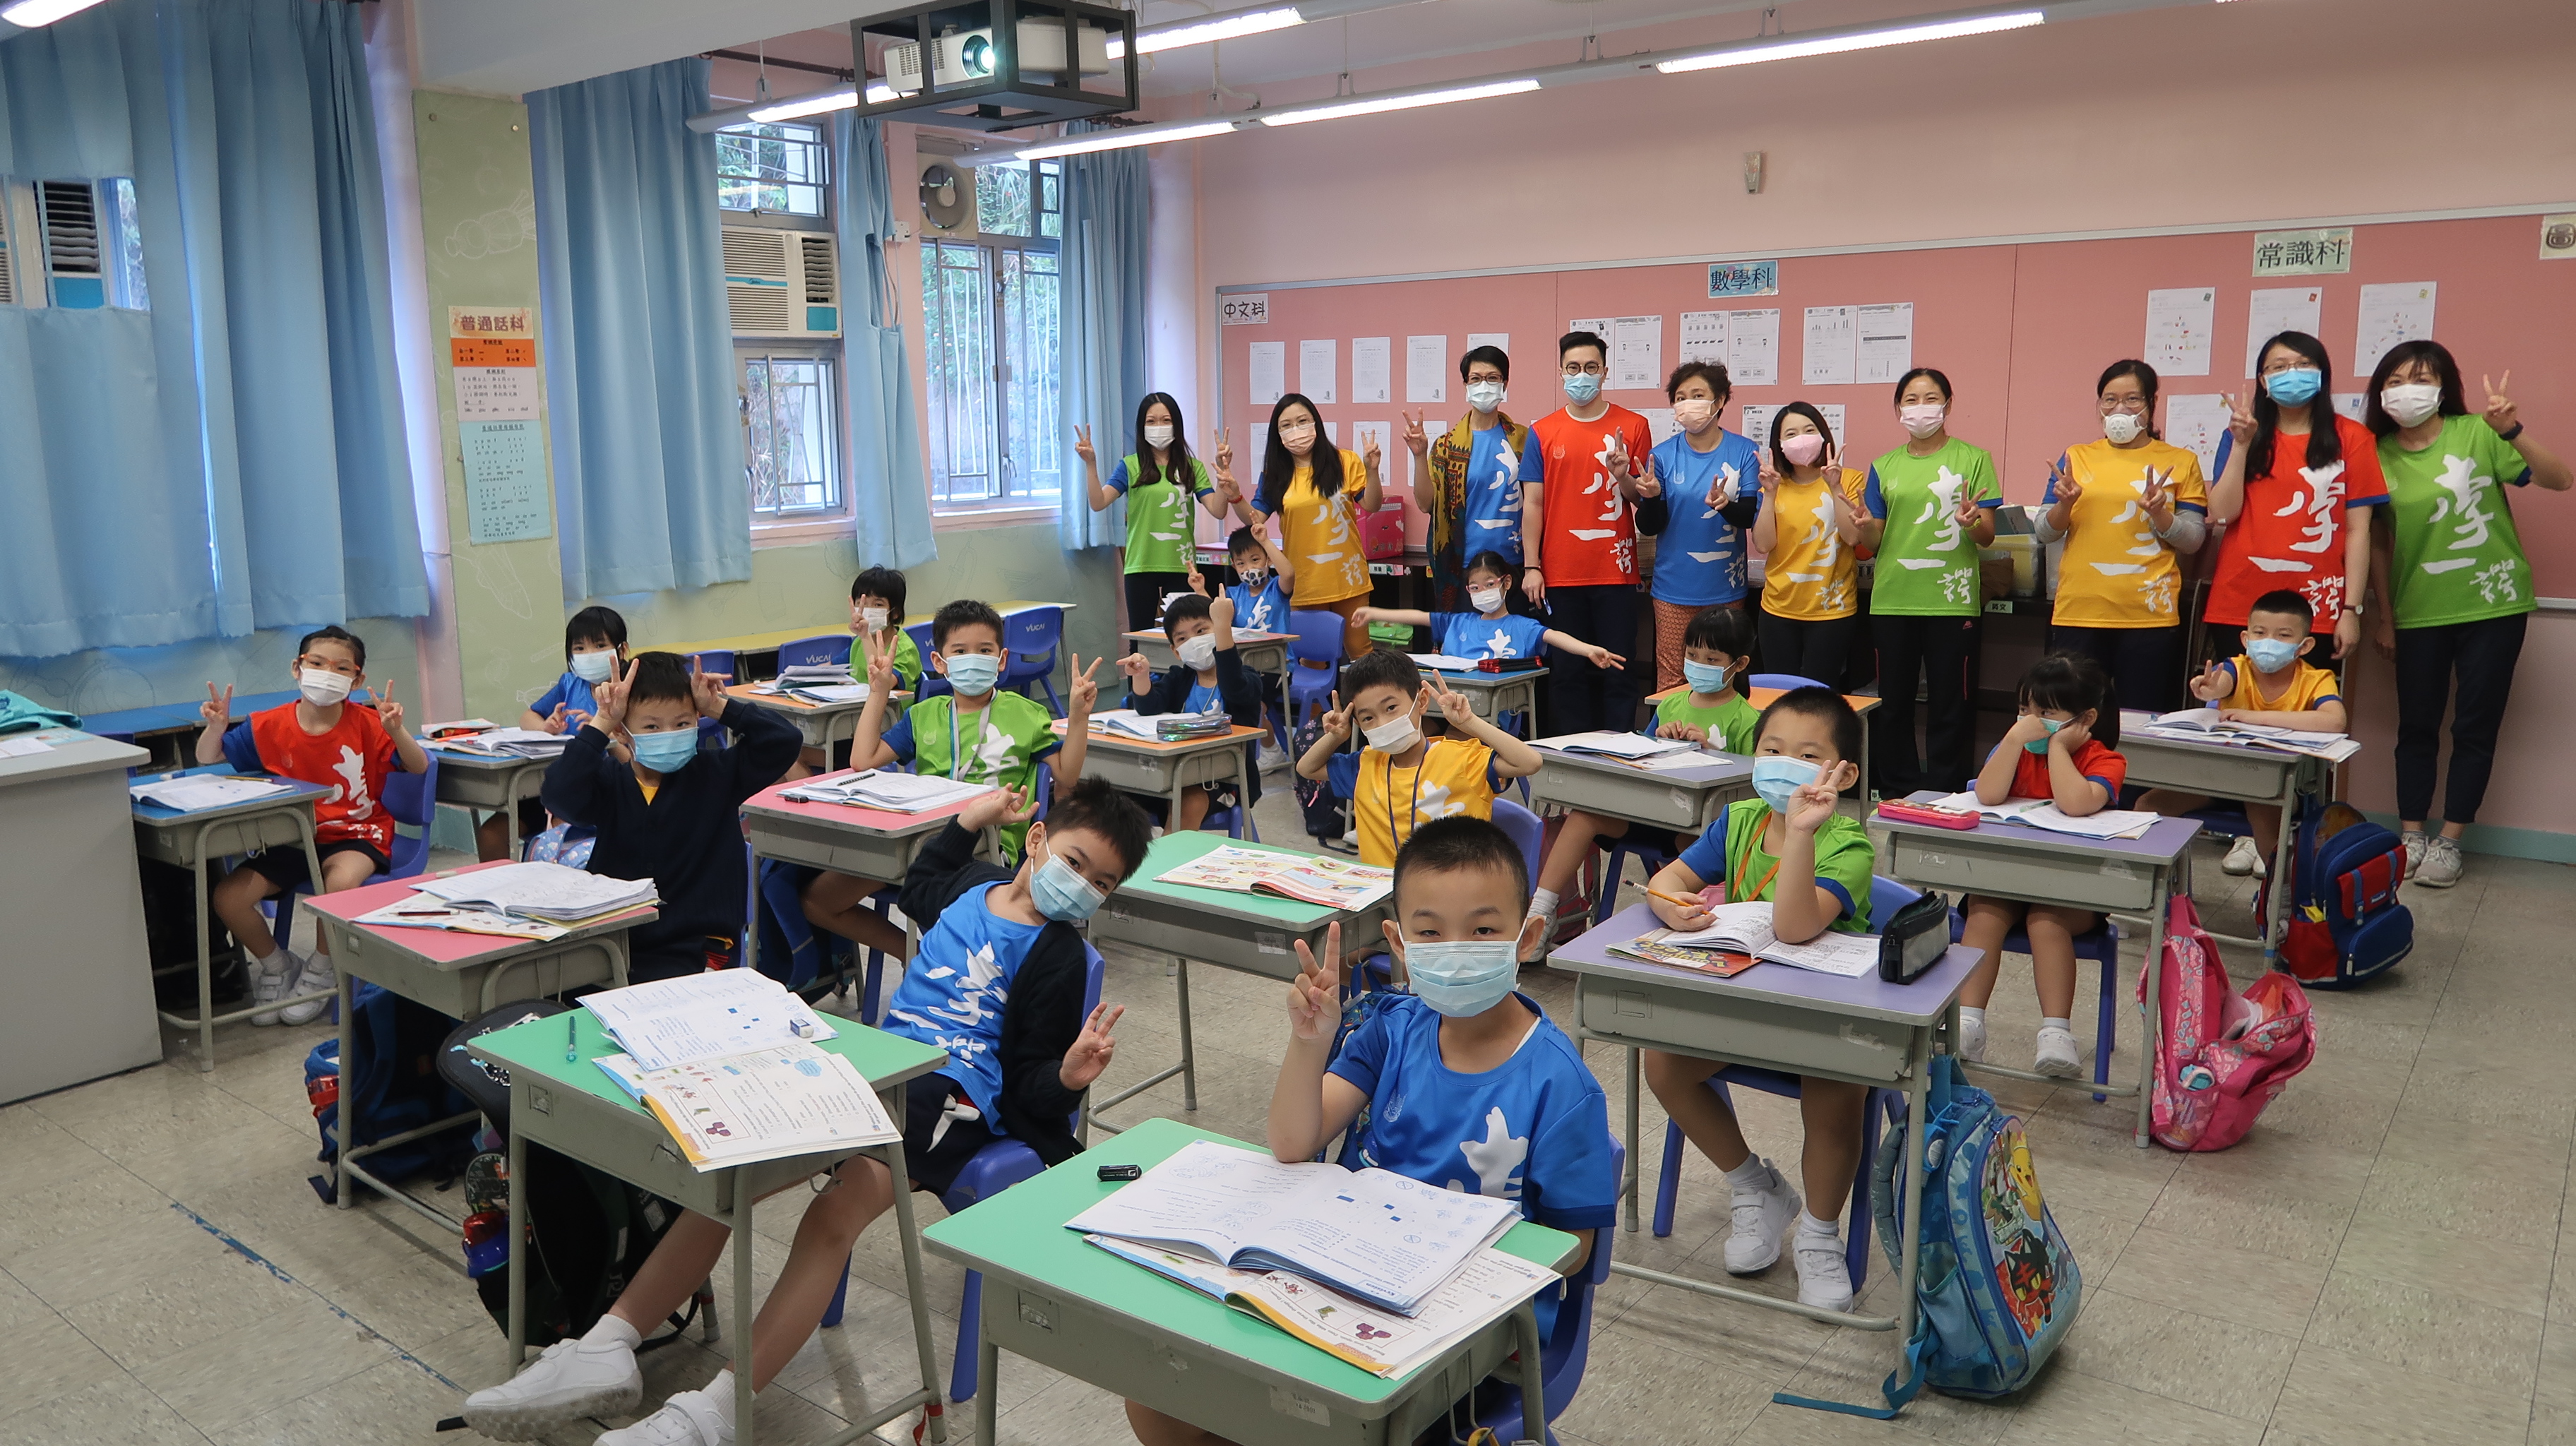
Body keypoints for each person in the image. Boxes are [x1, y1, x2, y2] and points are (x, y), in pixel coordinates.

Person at [464, 779, 1150, 1446]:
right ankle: (608, 1345)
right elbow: (921, 883)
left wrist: (1066, 1076)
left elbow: (1029, 1081)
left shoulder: (1058, 956)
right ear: (1036, 839)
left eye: (1102, 883)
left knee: (832, 1213)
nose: (1081, 886)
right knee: (731, 1173)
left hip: (952, 1098)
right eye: (1074, 862)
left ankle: (718, 1411)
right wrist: (972, 817)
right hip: (883, 1065)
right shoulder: (975, 886)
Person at [1125, 815, 1614, 1446]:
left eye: (1483, 930)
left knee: (1313, 1414)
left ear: (1528, 938)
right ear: (1398, 942)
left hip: (1468, 1324)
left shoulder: (1561, 1085)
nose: (1455, 948)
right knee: (1158, 1398)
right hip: (1345, 1278)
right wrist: (1311, 1042)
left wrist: (1447, 1260)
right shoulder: (1391, 1028)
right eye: (1429, 932)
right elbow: (1293, 1143)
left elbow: (1571, 1248)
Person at [1637, 687, 1876, 1310]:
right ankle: (1755, 1186)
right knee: (1663, 1064)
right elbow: (1669, 880)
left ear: (1844, 775)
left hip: (1824, 1021)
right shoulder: (1738, 820)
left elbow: (1795, 927)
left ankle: (1820, 1234)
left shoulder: (1849, 844)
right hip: (1742, 1007)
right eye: (1772, 749)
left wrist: (1801, 831)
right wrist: (1672, 904)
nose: (1783, 764)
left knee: (1835, 1093)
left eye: (1807, 755)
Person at [2365, 342, 2572, 887]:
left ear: (2443, 387)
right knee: (2416, 725)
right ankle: (2411, 833)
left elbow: (2560, 479)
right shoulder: (2375, 454)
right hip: (2418, 609)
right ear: (2380, 392)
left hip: (2493, 603)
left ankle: (2451, 840)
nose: (2406, 390)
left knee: (2475, 725)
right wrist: (2385, 615)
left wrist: (2512, 430)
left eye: (2420, 378)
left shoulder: (2479, 432)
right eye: (2394, 381)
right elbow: (2378, 542)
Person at [800, 600, 1102, 959]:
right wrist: (878, 692)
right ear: (940, 662)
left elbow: (1067, 773)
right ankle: (918, 957)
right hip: (919, 841)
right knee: (818, 900)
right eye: (960, 651)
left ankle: (941, 956)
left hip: (987, 847)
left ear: (1001, 659)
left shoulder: (1027, 713)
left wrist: (1079, 716)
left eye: (984, 650)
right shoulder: (923, 715)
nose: (973, 659)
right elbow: (862, 760)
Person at [195, 625, 426, 1025]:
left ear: (357, 679)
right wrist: (216, 728)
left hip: (356, 834)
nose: (327, 673)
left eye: (341, 668)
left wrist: (397, 730)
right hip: (291, 839)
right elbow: (208, 757)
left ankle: (322, 968)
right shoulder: (268, 725)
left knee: (338, 884)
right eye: (316, 663)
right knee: (228, 897)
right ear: (297, 668)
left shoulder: (369, 723)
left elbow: (419, 765)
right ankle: (277, 965)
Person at [539, 652, 801, 983]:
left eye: (682, 724)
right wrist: (602, 722)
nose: (669, 733)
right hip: (617, 938)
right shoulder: (609, 783)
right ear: (623, 732)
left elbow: (784, 741)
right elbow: (558, 794)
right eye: (652, 726)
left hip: (698, 946)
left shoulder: (718, 774)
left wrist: (719, 707)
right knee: (552, 990)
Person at [1528, 605, 1761, 950]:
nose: (1699, 665)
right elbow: (1638, 755)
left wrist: (1712, 751)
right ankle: (1540, 913)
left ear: (1738, 664)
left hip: (1697, 827)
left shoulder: (1747, 719)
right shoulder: (1670, 704)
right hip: (1649, 811)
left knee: (1696, 848)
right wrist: (1658, 740)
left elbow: (1752, 787)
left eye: (1712, 660)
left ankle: (1700, 924)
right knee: (1583, 817)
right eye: (1692, 655)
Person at [1954, 652, 2125, 1076]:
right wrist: (2013, 741)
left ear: (2086, 719)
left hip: (2073, 891)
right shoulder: (2013, 749)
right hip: (2009, 880)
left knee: (2046, 923)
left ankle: (2056, 1034)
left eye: (2045, 713)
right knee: (1983, 913)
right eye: (2023, 710)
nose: (2030, 722)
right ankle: (1967, 1024)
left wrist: (2059, 748)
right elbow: (1988, 795)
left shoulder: (2105, 760)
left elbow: (2076, 803)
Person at [1859, 367, 1999, 795]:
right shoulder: (1883, 466)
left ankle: (1947, 793)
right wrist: (1862, 527)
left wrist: (1971, 522)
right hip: (1893, 600)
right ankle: (1896, 793)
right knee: (1893, 705)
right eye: (1911, 400)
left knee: (1950, 705)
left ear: (1948, 405)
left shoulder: (1974, 459)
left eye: (1931, 398)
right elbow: (1874, 543)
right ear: (1898, 409)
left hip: (1951, 601)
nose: (1921, 408)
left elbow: (1987, 536)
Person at [2205, 331, 2385, 665]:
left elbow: (2359, 531)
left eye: (2304, 364)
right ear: (2263, 380)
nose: (2292, 374)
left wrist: (2351, 609)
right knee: (2235, 694)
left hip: (2318, 603)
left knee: (2309, 696)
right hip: (2241, 600)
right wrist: (2242, 445)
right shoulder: (2240, 436)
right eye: (2279, 367)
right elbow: (2222, 514)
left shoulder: (2353, 438)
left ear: (2322, 375)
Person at [2137, 590, 2344, 878]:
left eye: (2283, 635)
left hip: (2274, 788)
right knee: (2148, 805)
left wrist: (2257, 718)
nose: (2269, 642)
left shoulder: (2316, 680)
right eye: (2260, 633)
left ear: (2304, 645)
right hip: (2215, 780)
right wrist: (2210, 689)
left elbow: (2335, 721)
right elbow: (2221, 683)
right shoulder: (2237, 668)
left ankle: (2280, 893)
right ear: (2246, 639)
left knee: (2264, 814)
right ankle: (2155, 887)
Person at [2040, 360, 2208, 712]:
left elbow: (2193, 540)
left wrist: (2160, 514)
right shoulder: (2076, 457)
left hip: (2149, 614)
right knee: (2071, 714)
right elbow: (2044, 531)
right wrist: (2065, 504)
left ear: (2152, 403)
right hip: (2079, 610)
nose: (2120, 409)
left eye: (2132, 399)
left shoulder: (2181, 461)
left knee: (2142, 718)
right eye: (2110, 400)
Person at [1517, 330, 1657, 735]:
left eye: (1591, 367)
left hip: (1615, 571)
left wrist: (1624, 475)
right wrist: (1531, 566)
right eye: (1574, 368)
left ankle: (1618, 756)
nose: (1582, 375)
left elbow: (1639, 498)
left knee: (1619, 670)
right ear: (1561, 372)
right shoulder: (1542, 431)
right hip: (1560, 573)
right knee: (1566, 673)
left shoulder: (1634, 426)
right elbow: (1533, 504)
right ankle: (1571, 756)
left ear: (1605, 372)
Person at [1296, 650, 1541, 868]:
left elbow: (1530, 762)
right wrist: (1336, 737)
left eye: (1391, 708)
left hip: (1454, 896)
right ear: (1359, 724)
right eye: (1368, 718)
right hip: (1385, 895)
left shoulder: (1462, 759)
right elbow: (1307, 768)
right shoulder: (1364, 765)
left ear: (1421, 701)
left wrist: (1470, 723)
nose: (1383, 723)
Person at [1227, 392, 1380, 659]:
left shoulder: (1345, 461)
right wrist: (1236, 496)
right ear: (1277, 434)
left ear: (1315, 423)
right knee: (1312, 661)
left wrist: (1373, 470)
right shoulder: (1275, 475)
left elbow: (1372, 504)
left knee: (1361, 655)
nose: (1296, 430)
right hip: (1304, 582)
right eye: (1286, 425)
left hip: (1348, 577)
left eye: (1302, 421)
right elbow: (1254, 519)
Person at [1638, 362, 1760, 691]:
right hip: (1672, 590)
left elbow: (1749, 516)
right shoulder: (1662, 456)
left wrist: (1726, 505)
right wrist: (1651, 498)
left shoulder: (1745, 451)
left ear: (1719, 401)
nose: (1688, 404)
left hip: (1725, 590)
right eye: (1680, 398)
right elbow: (1650, 525)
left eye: (1697, 395)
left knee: (1722, 681)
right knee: (1673, 681)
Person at [477, 605, 628, 861]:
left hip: (610, 795)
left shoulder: (633, 691)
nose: (589, 654)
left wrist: (604, 733)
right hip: (560, 792)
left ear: (622, 650)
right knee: (491, 834)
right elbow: (528, 717)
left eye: (600, 645)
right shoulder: (570, 684)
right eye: (579, 648)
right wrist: (546, 727)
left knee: (564, 836)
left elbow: (637, 763)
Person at [1079, 392, 1234, 637]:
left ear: (1176, 425)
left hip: (1182, 565)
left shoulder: (1192, 467)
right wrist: (1090, 463)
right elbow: (1098, 503)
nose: (1158, 426)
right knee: (1140, 639)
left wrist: (1224, 475)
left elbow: (1218, 510)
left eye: (1166, 420)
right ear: (1141, 428)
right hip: (1140, 564)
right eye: (1151, 421)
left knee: (1186, 638)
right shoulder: (1130, 466)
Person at [1113, 590, 1263, 832]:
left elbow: (1234, 687)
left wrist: (1224, 627)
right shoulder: (1179, 678)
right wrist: (1141, 676)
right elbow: (1149, 707)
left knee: (1189, 800)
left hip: (1223, 780)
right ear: (1176, 651)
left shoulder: (1248, 679)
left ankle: (1170, 855)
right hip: (1169, 773)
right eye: (1182, 639)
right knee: (1114, 794)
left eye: (1201, 631)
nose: (1194, 641)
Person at [1751, 403, 1865, 688]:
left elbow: (1853, 538)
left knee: (1820, 696)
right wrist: (1769, 494)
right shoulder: (1772, 485)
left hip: (1832, 609)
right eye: (1791, 434)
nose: (1801, 439)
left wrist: (1835, 486)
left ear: (1823, 435)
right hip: (1778, 607)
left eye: (1809, 430)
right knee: (1778, 695)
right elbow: (1763, 544)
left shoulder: (1849, 479)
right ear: (1779, 444)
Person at [1406, 344, 1527, 611]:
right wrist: (1419, 455)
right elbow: (1426, 504)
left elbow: (1538, 501)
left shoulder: (1524, 440)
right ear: (1466, 385)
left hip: (1515, 565)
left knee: (1514, 637)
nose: (1484, 385)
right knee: (1465, 636)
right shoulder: (1446, 446)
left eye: (1492, 378)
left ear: (1505, 383)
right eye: (1476, 378)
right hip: (1464, 568)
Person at [1351, 551, 1623, 668]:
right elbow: (1419, 617)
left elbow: (1555, 637)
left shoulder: (1522, 626)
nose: (1482, 592)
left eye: (1489, 584)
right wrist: (1374, 613)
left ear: (1506, 583)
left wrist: (1589, 650)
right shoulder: (1458, 623)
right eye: (1475, 588)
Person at [1219, 527, 1295, 770]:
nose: (1249, 568)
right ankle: (1233, 752)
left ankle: (1272, 751)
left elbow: (1289, 574)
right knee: (1226, 697)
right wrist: (1200, 591)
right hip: (1245, 666)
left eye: (1255, 560)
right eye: (1241, 563)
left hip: (1278, 667)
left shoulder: (1277, 590)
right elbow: (1217, 622)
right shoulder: (1234, 594)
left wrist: (1266, 540)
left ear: (1268, 560)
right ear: (1234, 566)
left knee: (1253, 703)